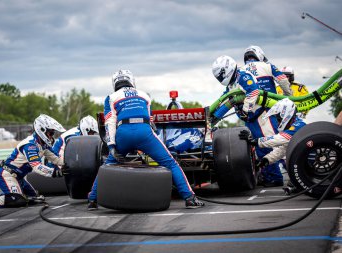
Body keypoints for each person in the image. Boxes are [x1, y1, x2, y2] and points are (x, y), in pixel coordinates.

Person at [87, 69, 204, 210]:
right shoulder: (144, 95)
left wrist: (111, 145)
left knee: (107, 165)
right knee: (171, 163)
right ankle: (190, 198)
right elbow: (151, 121)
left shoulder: (111, 97)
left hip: (123, 133)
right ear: (132, 80)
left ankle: (92, 199)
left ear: (115, 83)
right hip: (144, 132)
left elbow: (110, 122)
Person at [212, 55, 284, 187]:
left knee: (270, 145)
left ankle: (276, 177)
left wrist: (246, 109)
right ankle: (269, 176)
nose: (220, 78)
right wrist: (212, 113)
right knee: (259, 148)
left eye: (221, 75)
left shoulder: (242, 76)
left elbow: (254, 91)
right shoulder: (232, 83)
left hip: (261, 116)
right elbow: (226, 98)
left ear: (227, 69)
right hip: (251, 120)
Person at [0, 114, 66, 210]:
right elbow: (36, 166)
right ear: (42, 130)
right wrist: (55, 172)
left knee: (35, 197)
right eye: (50, 133)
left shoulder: (43, 144)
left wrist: (69, 165)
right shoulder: (30, 145)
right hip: (7, 175)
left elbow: (56, 159)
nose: (52, 136)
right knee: (18, 200)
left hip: (19, 177)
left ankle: (4, 196)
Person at [238, 98, 306, 192]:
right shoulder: (295, 124)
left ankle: (305, 181)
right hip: (309, 162)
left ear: (286, 115)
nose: (277, 122)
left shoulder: (298, 126)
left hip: (314, 162)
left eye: (278, 118)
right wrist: (266, 160)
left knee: (292, 160)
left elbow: (278, 139)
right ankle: (302, 182)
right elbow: (282, 149)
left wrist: (255, 141)